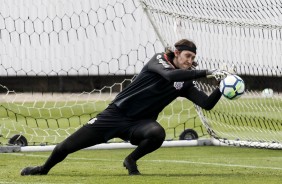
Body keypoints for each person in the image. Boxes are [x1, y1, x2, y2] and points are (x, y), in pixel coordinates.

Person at [20, 39, 227, 176]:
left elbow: (206, 104)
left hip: (139, 125)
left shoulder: (185, 82)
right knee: (66, 147)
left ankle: (131, 159)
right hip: (115, 114)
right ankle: (43, 169)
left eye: (192, 58)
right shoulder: (159, 60)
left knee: (157, 132)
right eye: (187, 57)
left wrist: (222, 87)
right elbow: (170, 75)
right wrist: (206, 72)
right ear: (175, 53)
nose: (190, 62)